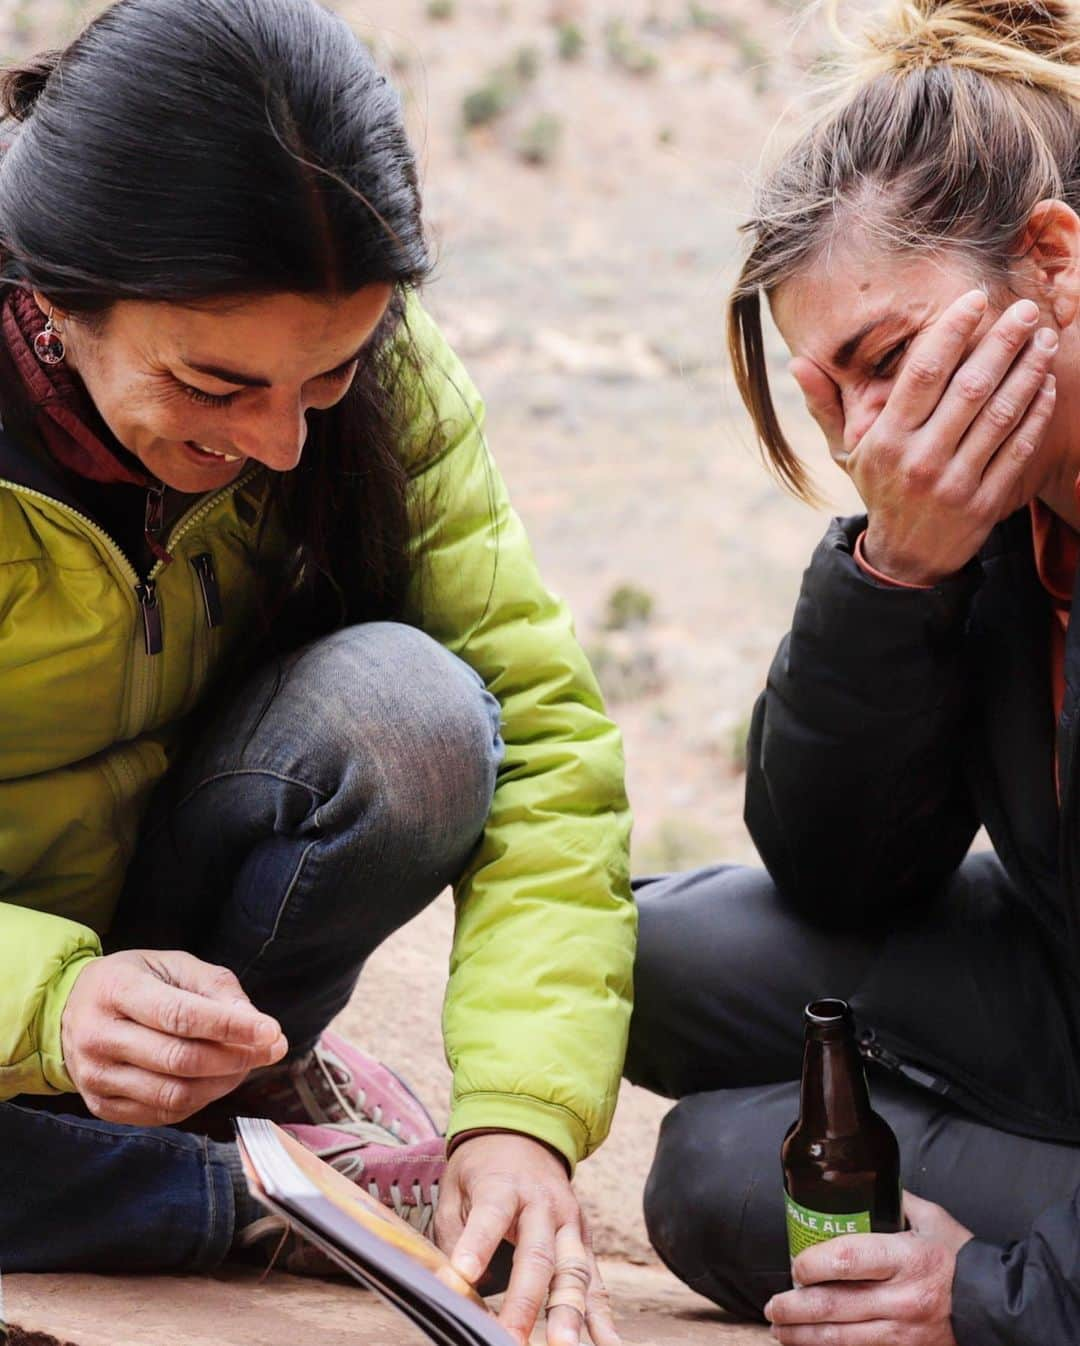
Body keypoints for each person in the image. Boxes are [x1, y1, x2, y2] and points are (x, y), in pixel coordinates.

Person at [0, 4, 634, 1344]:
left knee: (417, 718)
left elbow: (542, 735)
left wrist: (523, 1114)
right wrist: (49, 1004)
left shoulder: (371, 392)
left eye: (330, 374)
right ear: (53, 294)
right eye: (214, 384)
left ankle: (225, 1096)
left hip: (172, 947)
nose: (284, 443)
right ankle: (276, 1195)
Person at [624, 1, 1080, 1343]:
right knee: (635, 955)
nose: (869, 438)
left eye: (887, 359)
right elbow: (840, 873)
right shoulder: (992, 502)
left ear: (1053, 258)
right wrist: (896, 574)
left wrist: (995, 1297)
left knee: (721, 1176)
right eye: (832, 398)